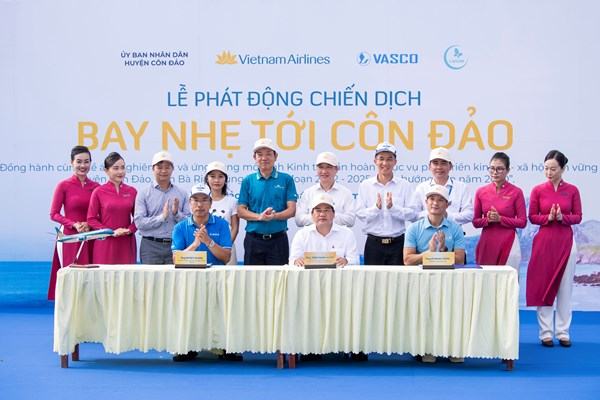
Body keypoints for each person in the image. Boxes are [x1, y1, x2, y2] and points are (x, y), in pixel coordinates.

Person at [170, 183, 241, 362]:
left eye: (204, 200)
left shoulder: (222, 225)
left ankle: (225, 346)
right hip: (189, 279)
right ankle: (188, 346)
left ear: (210, 203)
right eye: (195, 200)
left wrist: (208, 241)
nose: (199, 205)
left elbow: (226, 257)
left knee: (221, 312)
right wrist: (195, 245)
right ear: (189, 203)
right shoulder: (180, 227)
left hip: (217, 278)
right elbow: (176, 259)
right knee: (189, 311)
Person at [403, 184, 466, 363]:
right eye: (431, 199)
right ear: (426, 202)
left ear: (447, 205)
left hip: (449, 281)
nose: (435, 203)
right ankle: (428, 348)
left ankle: (453, 349)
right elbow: (407, 260)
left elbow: (460, 260)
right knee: (426, 314)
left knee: (452, 314)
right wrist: (428, 254)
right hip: (422, 281)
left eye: (440, 200)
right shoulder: (414, 228)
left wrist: (443, 249)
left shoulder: (455, 229)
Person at [526, 150, 582, 348]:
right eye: (546, 168)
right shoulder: (538, 190)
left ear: (563, 169)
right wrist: (548, 218)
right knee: (545, 286)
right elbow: (532, 217)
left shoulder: (572, 190)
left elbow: (578, 216)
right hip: (544, 242)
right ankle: (546, 333)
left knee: (565, 288)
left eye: (553, 169)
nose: (549, 172)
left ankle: (563, 332)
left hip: (566, 241)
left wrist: (562, 218)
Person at [48, 145, 100, 299]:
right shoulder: (63, 186)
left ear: (90, 163)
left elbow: (100, 213)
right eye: (79, 161)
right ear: (71, 162)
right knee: (70, 276)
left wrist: (89, 223)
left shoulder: (96, 187)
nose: (83, 165)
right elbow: (54, 214)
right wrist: (74, 224)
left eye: (86, 161)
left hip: (91, 236)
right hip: (70, 237)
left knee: (90, 276)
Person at [237, 138, 298, 265]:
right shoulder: (248, 180)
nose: (264, 158)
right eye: (259, 154)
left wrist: (274, 216)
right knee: (252, 277)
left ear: (276, 157)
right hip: (253, 240)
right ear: (254, 158)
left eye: (268, 154)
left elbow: (292, 210)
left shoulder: (286, 179)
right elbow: (241, 211)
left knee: (279, 277)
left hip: (278, 240)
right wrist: (260, 217)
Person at [356, 142, 418, 265]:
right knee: (372, 278)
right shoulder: (365, 185)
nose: (385, 163)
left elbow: (413, 214)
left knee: (399, 278)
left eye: (389, 159)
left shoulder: (404, 185)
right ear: (375, 161)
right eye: (381, 159)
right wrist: (376, 208)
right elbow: (360, 214)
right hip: (374, 244)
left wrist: (393, 209)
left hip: (398, 244)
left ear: (395, 162)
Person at [134, 151, 190, 264]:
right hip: (150, 246)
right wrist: (162, 218)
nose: (163, 171)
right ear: (153, 169)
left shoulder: (182, 193)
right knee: (150, 276)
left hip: (176, 245)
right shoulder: (143, 194)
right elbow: (139, 223)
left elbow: (189, 223)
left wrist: (176, 214)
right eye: (159, 167)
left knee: (176, 276)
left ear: (172, 169)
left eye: (167, 167)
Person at [472, 152, 527, 269]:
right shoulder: (481, 192)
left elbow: (522, 222)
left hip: (509, 242)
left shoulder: (516, 192)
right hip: (487, 242)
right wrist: (488, 220)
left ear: (507, 171)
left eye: (500, 169)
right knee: (486, 278)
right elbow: (475, 222)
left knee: (508, 278)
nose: (495, 172)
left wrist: (500, 219)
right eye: (492, 168)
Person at [87, 152, 137, 264]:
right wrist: (110, 232)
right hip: (105, 242)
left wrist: (129, 230)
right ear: (106, 170)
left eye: (123, 167)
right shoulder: (99, 192)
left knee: (126, 274)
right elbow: (91, 219)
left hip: (126, 242)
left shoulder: (132, 191)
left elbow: (138, 218)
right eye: (115, 168)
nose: (120, 172)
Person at [290, 193, 359, 267]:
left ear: (334, 214)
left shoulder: (347, 234)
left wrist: (346, 261)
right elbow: (292, 261)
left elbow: (355, 261)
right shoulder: (301, 235)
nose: (322, 214)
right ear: (312, 214)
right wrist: (296, 261)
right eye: (318, 211)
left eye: (326, 210)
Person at [414, 147, 474, 227]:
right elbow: (414, 215)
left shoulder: (461, 188)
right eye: (435, 163)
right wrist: (432, 214)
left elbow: (469, 214)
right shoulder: (422, 188)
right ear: (430, 166)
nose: (439, 167)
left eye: (443, 163)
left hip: (453, 233)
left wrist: (447, 216)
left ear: (450, 166)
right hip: (426, 232)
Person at [295, 151, 356, 227]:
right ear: (316, 169)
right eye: (321, 167)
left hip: (338, 234)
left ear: (336, 169)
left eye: (328, 167)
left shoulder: (345, 193)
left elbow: (351, 220)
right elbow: (299, 220)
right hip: (312, 234)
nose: (324, 171)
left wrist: (329, 215)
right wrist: (320, 216)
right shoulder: (308, 193)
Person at [204, 161, 239, 265]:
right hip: (205, 249)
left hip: (227, 250)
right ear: (207, 179)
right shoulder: (201, 201)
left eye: (220, 176)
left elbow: (235, 228)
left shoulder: (232, 201)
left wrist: (225, 247)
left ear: (225, 179)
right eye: (212, 176)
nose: (216, 180)